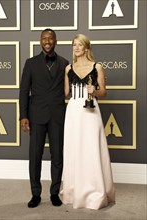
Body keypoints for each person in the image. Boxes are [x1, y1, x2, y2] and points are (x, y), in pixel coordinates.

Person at [61, 34, 115, 210]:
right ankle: (73, 191)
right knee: (74, 149)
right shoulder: (68, 68)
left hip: (91, 111)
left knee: (92, 148)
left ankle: (95, 192)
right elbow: (65, 93)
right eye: (74, 45)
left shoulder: (97, 66)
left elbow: (103, 92)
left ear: (86, 48)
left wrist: (95, 90)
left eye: (80, 45)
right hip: (74, 110)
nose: (76, 48)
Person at [19, 29, 69, 208]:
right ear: (40, 41)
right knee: (35, 156)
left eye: (50, 38)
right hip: (36, 115)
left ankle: (54, 193)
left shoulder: (64, 63)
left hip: (57, 116)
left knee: (57, 156)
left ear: (56, 40)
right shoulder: (30, 63)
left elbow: (70, 87)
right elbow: (24, 90)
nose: (47, 41)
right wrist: (23, 116)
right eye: (44, 38)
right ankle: (35, 193)